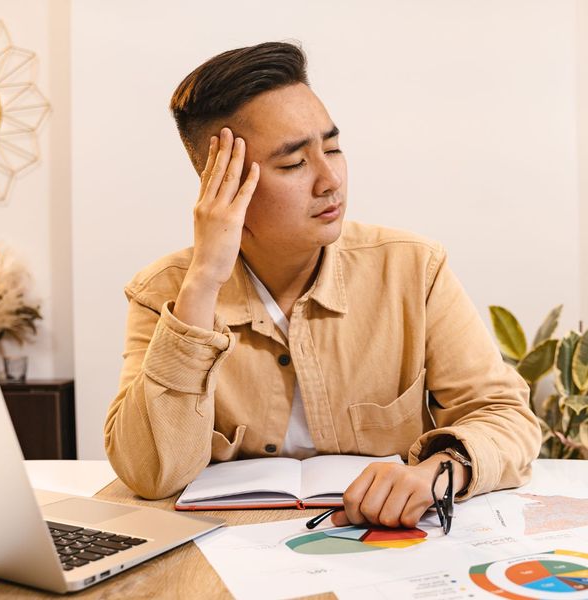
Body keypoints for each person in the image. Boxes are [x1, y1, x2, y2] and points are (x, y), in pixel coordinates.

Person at [105, 41, 541, 529]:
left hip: (390, 543)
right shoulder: (163, 292)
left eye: (333, 148)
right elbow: (150, 474)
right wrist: (205, 277)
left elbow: (506, 417)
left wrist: (441, 472)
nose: (330, 179)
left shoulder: (413, 269)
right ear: (221, 185)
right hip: (232, 546)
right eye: (294, 164)